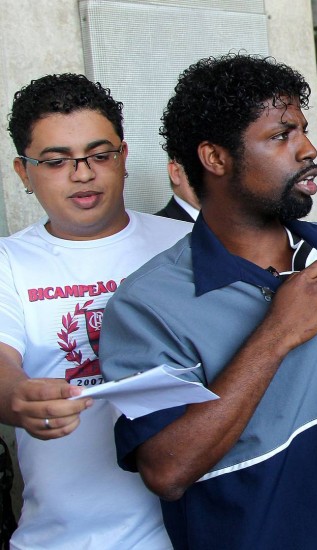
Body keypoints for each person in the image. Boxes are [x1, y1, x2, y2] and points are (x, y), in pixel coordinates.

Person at [99, 54, 317, 549]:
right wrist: (276, 334)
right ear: (215, 158)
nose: (307, 149)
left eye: (302, 130)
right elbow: (167, 469)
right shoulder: (146, 306)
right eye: (281, 137)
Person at [0, 73, 188, 549]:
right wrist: (20, 395)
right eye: (56, 161)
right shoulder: (9, 262)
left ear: (123, 158)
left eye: (99, 155)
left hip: (188, 531)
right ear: (24, 172)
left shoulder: (186, 245)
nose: (82, 174)